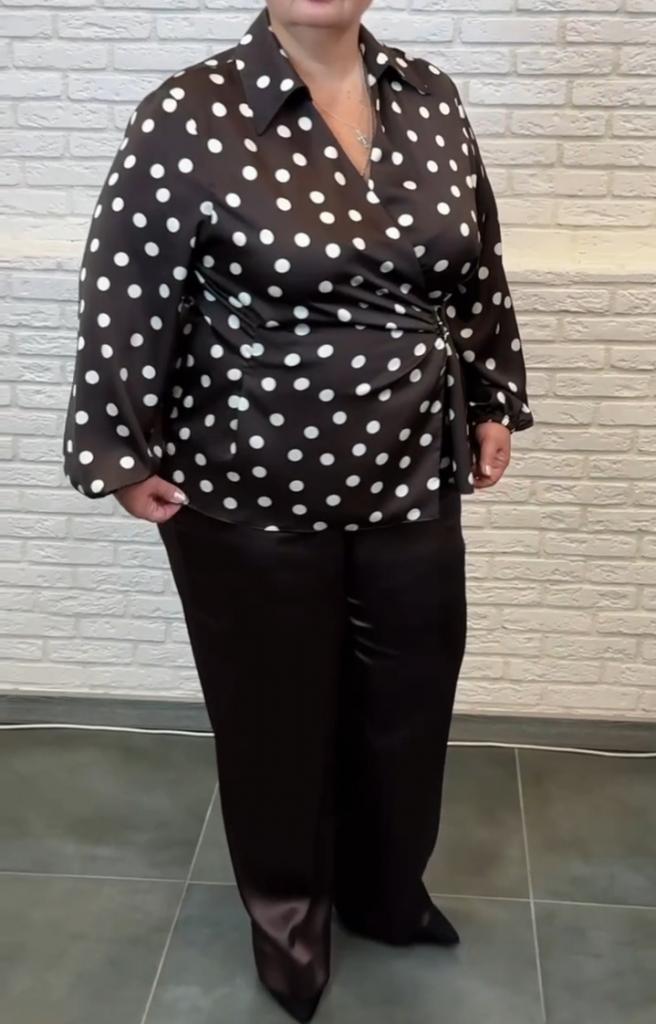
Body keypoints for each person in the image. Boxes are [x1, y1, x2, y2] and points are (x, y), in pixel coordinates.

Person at [61, 1, 535, 1020]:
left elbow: (477, 267)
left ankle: (385, 891)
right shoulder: (191, 111)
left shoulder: (429, 98)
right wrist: (118, 450)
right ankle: (287, 914)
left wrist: (494, 394)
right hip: (249, 481)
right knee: (274, 713)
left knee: (408, 698)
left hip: (411, 462)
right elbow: (127, 285)